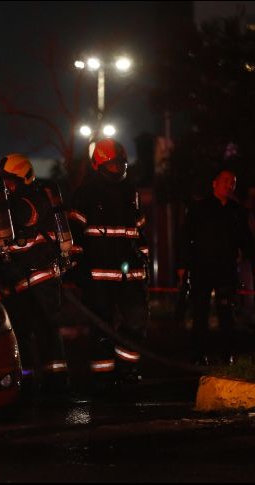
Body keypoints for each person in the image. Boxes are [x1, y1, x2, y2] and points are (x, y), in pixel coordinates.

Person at [68, 138, 150, 391]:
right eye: (113, 166)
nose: (118, 170)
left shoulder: (130, 191)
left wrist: (144, 258)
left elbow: (139, 230)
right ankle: (103, 377)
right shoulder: (85, 194)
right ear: (99, 165)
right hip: (98, 276)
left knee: (136, 322)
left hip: (130, 275)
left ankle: (127, 369)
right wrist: (78, 269)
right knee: (100, 329)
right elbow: (75, 234)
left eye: (121, 165)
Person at [0, 153, 73, 395]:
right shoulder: (38, 198)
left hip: (36, 278)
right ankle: (43, 384)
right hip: (30, 279)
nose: (5, 186)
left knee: (41, 332)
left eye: (9, 181)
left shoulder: (23, 203)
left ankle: (51, 386)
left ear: (21, 179)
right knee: (33, 332)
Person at [177, 168, 255, 365]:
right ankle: (197, 355)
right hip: (201, 268)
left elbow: (246, 240)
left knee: (226, 314)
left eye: (233, 182)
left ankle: (226, 355)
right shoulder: (198, 208)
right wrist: (182, 265)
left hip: (226, 270)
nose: (229, 185)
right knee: (200, 314)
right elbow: (185, 237)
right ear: (214, 183)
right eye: (225, 180)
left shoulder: (237, 212)